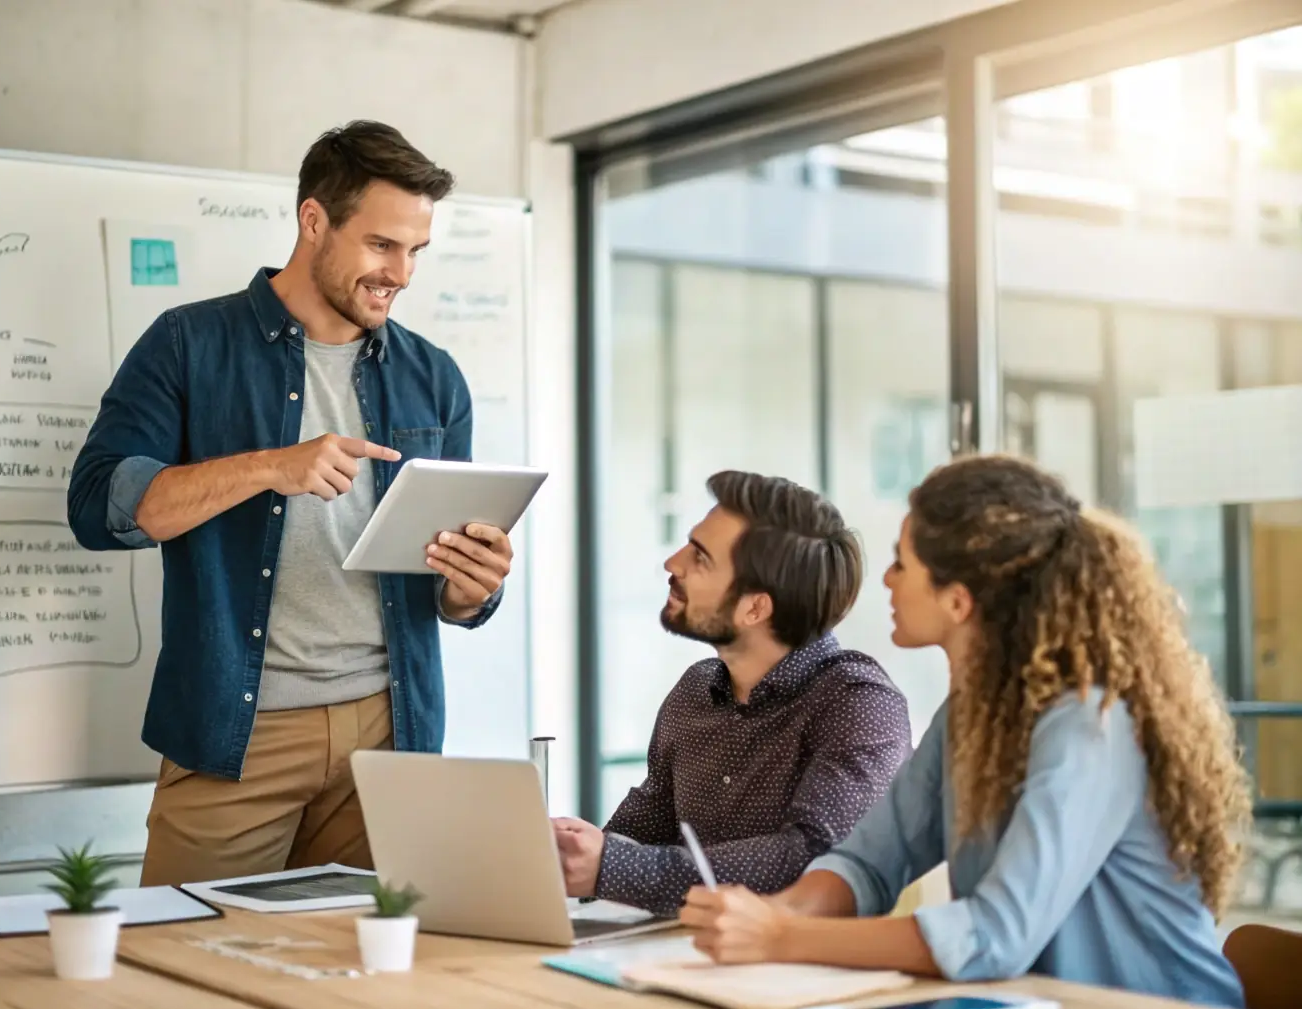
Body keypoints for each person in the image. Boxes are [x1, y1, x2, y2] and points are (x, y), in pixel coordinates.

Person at [68, 121, 514, 886]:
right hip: (236, 735)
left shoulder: (434, 376)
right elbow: (98, 508)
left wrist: (471, 590)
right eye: (382, 245)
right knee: (184, 952)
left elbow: (446, 584)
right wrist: (271, 466)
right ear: (313, 220)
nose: (401, 274)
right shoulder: (186, 345)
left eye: (415, 251)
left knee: (369, 955)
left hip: (391, 732)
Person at [680, 455, 1251, 1009]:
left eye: (902, 564)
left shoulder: (1089, 726)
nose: (886, 579)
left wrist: (783, 937)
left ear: (957, 600)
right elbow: (870, 863)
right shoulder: (969, 716)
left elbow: (993, 934)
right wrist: (775, 914)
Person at [552, 470, 912, 916]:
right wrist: (562, 852)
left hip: (804, 956)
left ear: (755, 607)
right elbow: (637, 835)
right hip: (680, 947)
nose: (673, 564)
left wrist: (615, 867)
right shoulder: (695, 691)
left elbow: (812, 861)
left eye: (700, 557)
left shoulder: (859, 702)